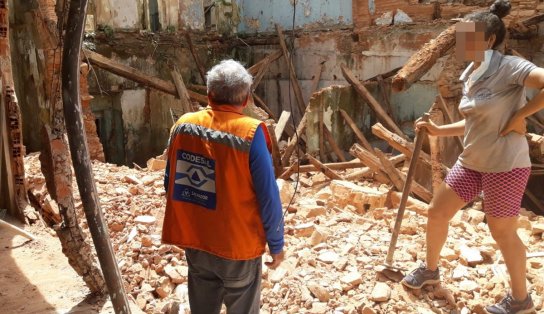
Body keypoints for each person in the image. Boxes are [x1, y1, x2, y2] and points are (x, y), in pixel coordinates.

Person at [401, 1, 544, 313]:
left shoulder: (508, 67)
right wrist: (438, 131)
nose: (461, 43)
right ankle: (430, 270)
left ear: (488, 40)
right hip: (473, 162)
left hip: (505, 165)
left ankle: (522, 300)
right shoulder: (470, 73)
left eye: (468, 37)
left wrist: (520, 115)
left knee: (501, 231)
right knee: (437, 212)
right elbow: (475, 120)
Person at [161, 59, 285, 314]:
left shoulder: (183, 125)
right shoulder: (250, 133)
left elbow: (169, 182)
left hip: (196, 242)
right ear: (247, 98)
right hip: (237, 248)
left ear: (209, 94)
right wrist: (277, 245)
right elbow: (268, 196)